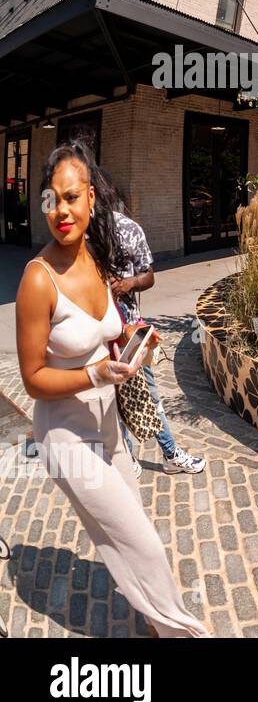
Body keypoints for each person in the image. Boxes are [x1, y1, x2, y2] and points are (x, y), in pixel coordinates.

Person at [15, 140, 209, 637]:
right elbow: (34, 380)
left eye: (72, 197)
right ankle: (180, 632)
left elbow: (109, 329)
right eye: (51, 199)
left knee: (130, 529)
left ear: (91, 201)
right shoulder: (37, 281)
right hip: (65, 437)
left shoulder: (97, 262)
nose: (61, 210)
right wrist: (95, 374)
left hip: (109, 425)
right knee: (142, 542)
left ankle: (152, 620)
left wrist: (132, 339)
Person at [100, 173, 206, 476]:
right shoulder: (84, 234)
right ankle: (129, 459)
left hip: (130, 331)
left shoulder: (129, 229)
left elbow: (149, 276)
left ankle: (170, 454)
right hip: (98, 332)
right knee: (112, 399)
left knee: (148, 395)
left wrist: (126, 284)